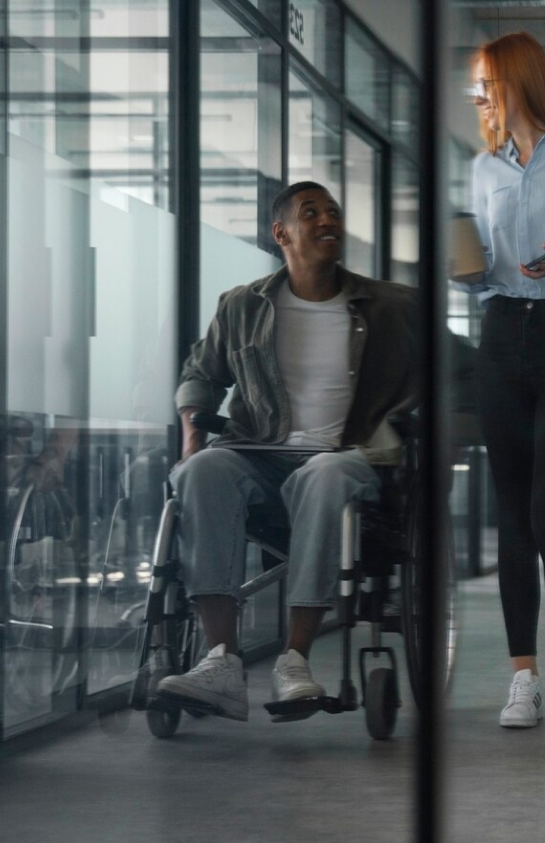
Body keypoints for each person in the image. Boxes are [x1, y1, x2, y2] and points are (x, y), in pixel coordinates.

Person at [155, 181, 417, 723]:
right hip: (259, 454)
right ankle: (221, 660)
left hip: (348, 457)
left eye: (334, 211)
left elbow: (448, 374)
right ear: (282, 234)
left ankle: (295, 659)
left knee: (324, 473)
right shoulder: (242, 306)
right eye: (311, 212)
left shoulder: (391, 306)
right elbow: (199, 377)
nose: (328, 220)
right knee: (203, 471)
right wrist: (190, 437)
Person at [461, 31, 545, 728]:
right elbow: (481, 260)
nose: (480, 95)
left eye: (486, 81)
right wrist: (467, 267)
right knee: (512, 510)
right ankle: (522, 676)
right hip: (499, 336)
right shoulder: (483, 169)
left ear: (516, 80)